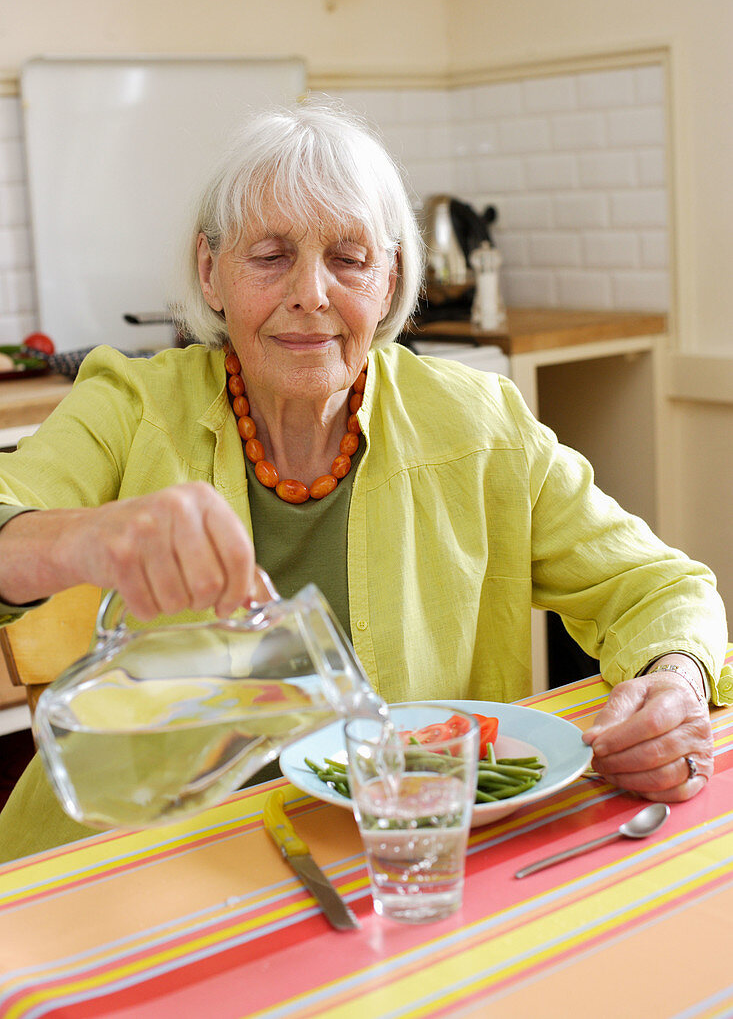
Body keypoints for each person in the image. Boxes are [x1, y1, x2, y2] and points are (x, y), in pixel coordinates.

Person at [0, 100, 729, 862]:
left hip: (403, 859)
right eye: (270, 255)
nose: (311, 293)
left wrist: (673, 681)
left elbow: (660, 587)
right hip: (143, 858)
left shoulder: (477, 425)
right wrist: (82, 538)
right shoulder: (131, 403)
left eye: (347, 259)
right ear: (210, 272)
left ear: (389, 281)